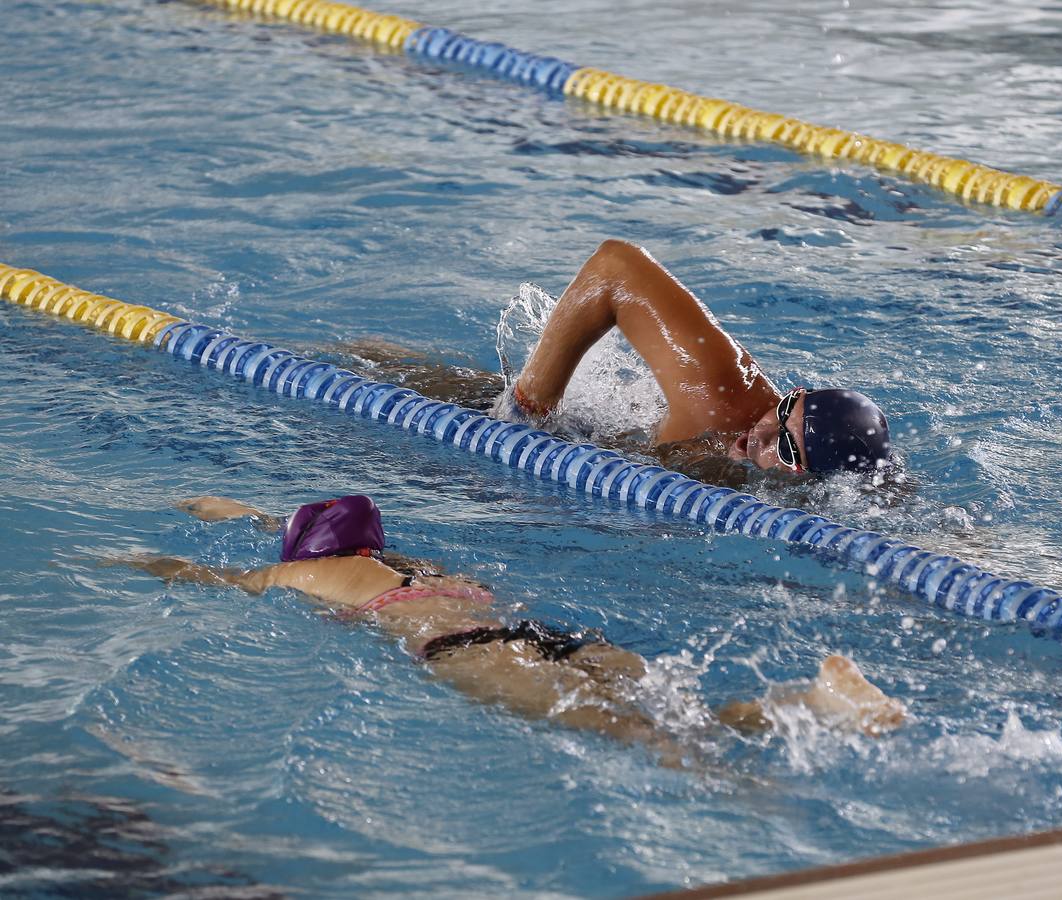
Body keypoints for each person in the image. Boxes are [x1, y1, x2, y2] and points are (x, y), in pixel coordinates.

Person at [126, 494, 906, 764]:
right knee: (678, 709)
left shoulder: (306, 576)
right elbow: (292, 523)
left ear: (307, 554)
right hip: (547, 631)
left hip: (470, 654)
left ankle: (752, 792)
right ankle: (808, 702)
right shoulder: (421, 568)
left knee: (648, 741)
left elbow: (214, 581)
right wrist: (245, 512)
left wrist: (127, 558)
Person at [512, 240, 893, 476]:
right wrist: (528, 408)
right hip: (569, 430)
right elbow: (613, 268)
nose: (760, 431)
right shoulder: (722, 395)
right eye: (785, 407)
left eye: (786, 446)